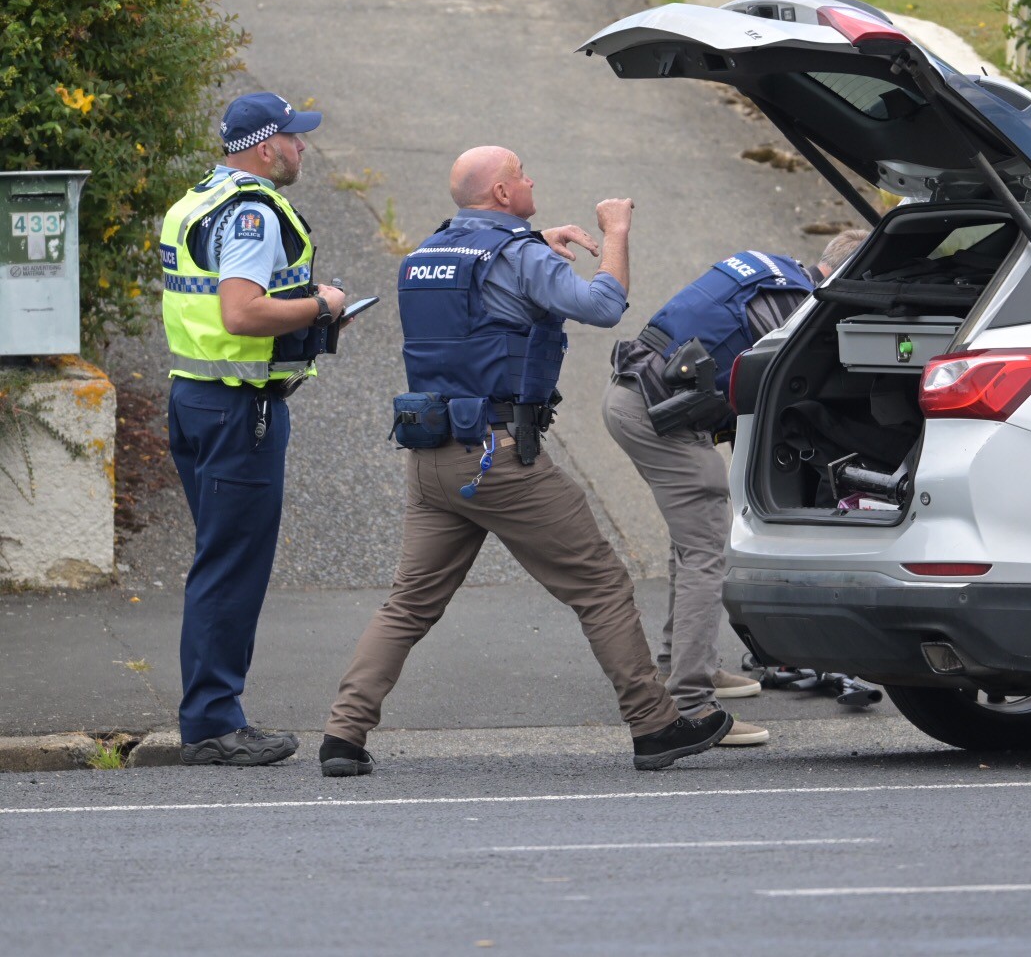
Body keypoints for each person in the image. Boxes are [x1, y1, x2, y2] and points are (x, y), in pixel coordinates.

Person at [321, 145, 734, 776]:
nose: (532, 179)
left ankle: (342, 738)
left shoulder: (425, 257)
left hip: (430, 458)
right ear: (502, 194)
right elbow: (603, 305)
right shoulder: (520, 257)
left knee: (407, 604)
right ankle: (655, 726)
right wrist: (614, 231)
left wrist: (534, 238)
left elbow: (485, 280)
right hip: (501, 458)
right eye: (521, 175)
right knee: (600, 584)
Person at [601, 232, 868, 733]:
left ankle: (678, 664)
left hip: (635, 395)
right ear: (844, 277)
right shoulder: (796, 306)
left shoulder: (774, 272)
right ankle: (692, 705)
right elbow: (777, 389)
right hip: (659, 419)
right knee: (707, 552)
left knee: (694, 542)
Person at [161, 91, 350, 766]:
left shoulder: (197, 200)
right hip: (241, 408)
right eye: (295, 139)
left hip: (195, 397)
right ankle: (214, 722)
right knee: (232, 566)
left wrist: (311, 315)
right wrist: (320, 303)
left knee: (220, 559)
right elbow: (241, 313)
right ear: (267, 147)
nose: (303, 149)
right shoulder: (250, 213)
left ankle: (208, 716)